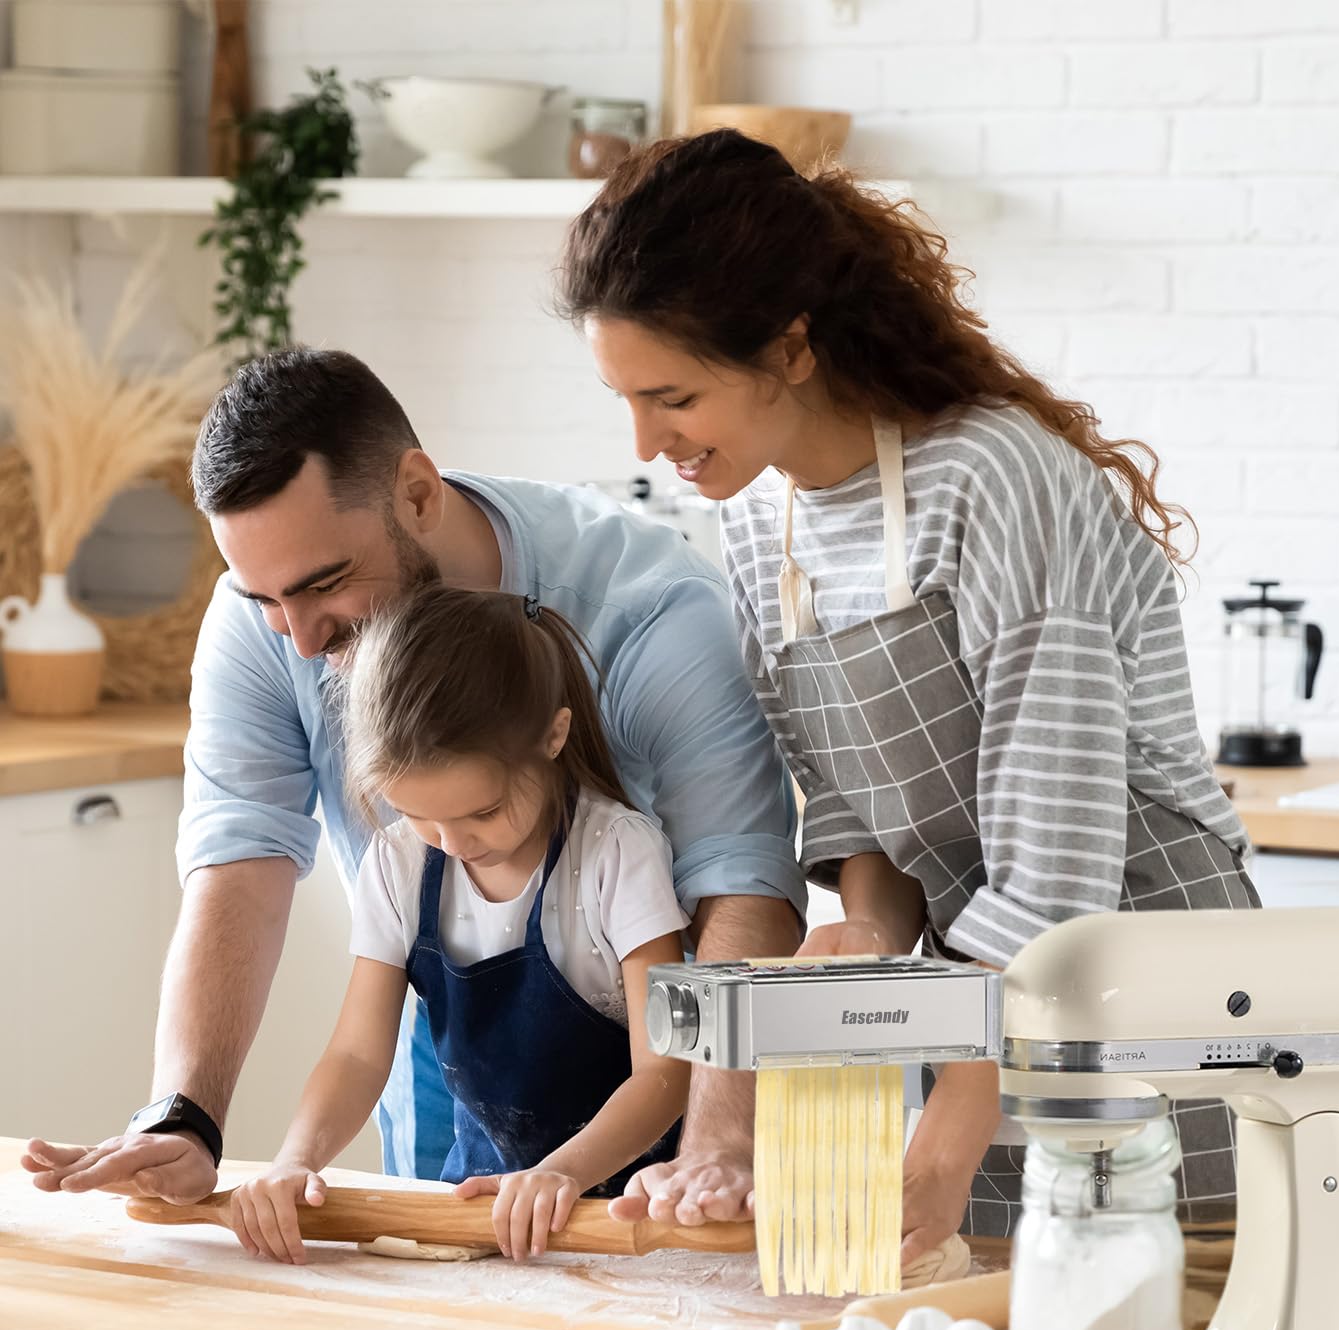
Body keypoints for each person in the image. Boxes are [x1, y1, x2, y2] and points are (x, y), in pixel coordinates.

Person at [559, 129, 1259, 1251]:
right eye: (625, 399)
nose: (647, 441)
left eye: (673, 396)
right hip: (969, 1006)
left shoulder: (994, 475)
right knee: (995, 1329)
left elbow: (1060, 854)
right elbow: (858, 815)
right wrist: (869, 936)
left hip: (1147, 966)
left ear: (790, 348)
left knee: (1160, 1323)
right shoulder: (762, 524)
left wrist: (941, 1144)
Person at [23, 347, 802, 1231]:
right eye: (265, 600)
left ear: (419, 495)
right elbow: (239, 859)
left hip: (685, 1056)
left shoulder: (652, 610)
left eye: (324, 585)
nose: (300, 641)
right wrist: (186, 1115)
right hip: (444, 1045)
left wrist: (716, 1139)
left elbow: (741, 892)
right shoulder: (271, 625)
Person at [231, 585, 690, 1265]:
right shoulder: (398, 863)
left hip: (632, 1213)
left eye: (483, 812)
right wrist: (295, 1161)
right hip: (481, 1209)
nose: (452, 842)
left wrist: (560, 1174)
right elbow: (357, 1055)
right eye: (419, 814)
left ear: (554, 735)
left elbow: (667, 1069)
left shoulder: (618, 853)